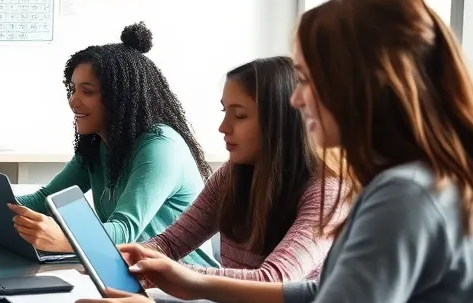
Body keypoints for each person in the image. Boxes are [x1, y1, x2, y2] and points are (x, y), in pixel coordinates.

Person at [66, 0, 473, 303]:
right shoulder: (421, 184)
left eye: (307, 79)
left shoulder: (405, 197)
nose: (298, 99)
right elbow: (326, 296)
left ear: (361, 81)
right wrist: (194, 282)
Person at [0, 23, 215, 265]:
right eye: (72, 89)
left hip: (182, 288)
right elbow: (46, 199)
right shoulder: (98, 143)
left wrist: (65, 239)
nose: (73, 101)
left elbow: (125, 231)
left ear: (120, 98)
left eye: (87, 91)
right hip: (129, 272)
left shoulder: (160, 147)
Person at [142, 56, 342, 281]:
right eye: (224, 111)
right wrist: (129, 258)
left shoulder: (327, 193)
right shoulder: (231, 175)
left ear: (280, 122)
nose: (223, 127)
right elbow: (168, 243)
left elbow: (272, 282)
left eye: (239, 115)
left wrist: (172, 273)